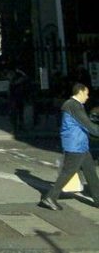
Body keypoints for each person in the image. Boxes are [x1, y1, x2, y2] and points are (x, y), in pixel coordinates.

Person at [39, 82, 99, 211]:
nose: (88, 97)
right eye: (87, 94)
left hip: (80, 145)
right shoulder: (73, 106)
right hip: (75, 146)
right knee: (67, 173)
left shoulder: (75, 105)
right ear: (81, 92)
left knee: (91, 173)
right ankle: (50, 198)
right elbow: (87, 124)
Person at [7, 67, 31, 134]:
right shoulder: (16, 81)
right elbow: (25, 78)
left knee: (17, 114)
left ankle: (17, 128)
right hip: (17, 99)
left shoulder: (14, 81)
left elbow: (25, 78)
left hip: (16, 99)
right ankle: (18, 127)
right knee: (18, 114)